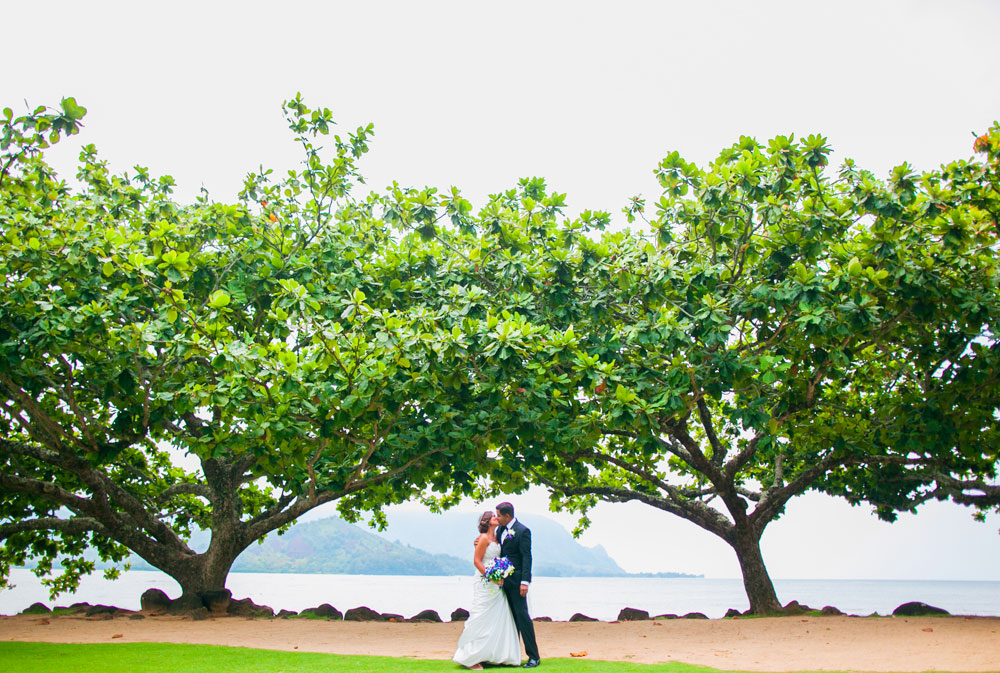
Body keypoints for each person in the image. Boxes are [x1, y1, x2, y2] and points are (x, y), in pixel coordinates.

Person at [452, 511, 521, 670]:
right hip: (485, 582)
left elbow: (499, 557)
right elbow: (477, 561)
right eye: (494, 516)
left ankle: (495, 654)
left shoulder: (498, 537)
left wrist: (501, 573)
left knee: (497, 617)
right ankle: (470, 658)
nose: (497, 518)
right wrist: (492, 576)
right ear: (488, 521)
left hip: (496, 583)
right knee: (481, 616)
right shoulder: (482, 538)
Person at [496, 501, 540, 668]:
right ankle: (512, 655)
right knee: (508, 618)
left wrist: (525, 582)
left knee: (522, 617)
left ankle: (534, 656)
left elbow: (526, 557)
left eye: (499, 515)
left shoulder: (523, 531)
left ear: (507, 516)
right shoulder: (500, 530)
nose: (497, 518)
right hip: (502, 582)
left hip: (517, 582)